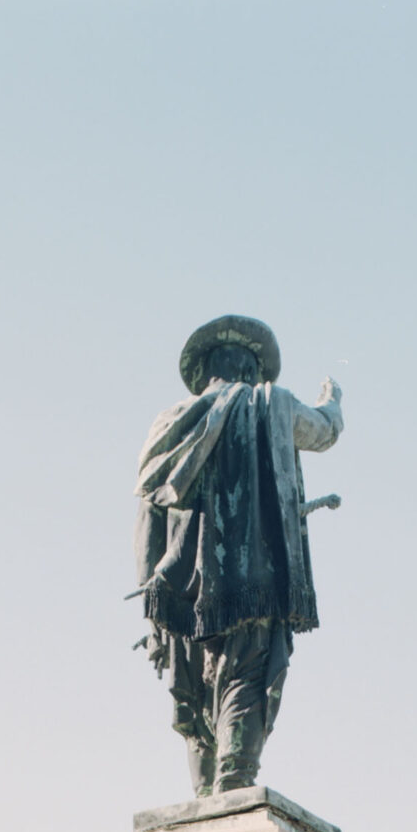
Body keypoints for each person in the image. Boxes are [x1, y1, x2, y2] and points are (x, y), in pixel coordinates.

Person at [134, 315, 343, 795]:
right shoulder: (275, 404)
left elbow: (148, 520)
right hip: (253, 583)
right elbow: (325, 430)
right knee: (245, 676)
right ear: (254, 370)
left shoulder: (172, 424)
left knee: (197, 691)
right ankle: (234, 780)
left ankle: (209, 797)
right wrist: (334, 399)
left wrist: (153, 610)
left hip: (182, 590)